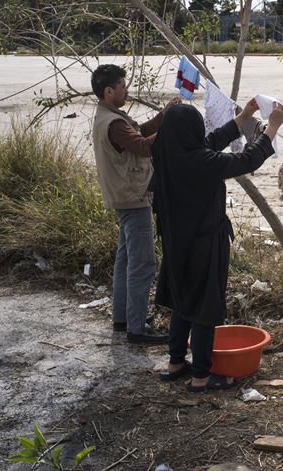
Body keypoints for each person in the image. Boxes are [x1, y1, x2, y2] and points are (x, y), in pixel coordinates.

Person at [150, 99, 283, 392]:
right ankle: (201, 376)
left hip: (175, 242)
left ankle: (175, 363)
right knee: (204, 309)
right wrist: (272, 128)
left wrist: (244, 117)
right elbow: (246, 161)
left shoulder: (164, 152)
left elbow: (209, 142)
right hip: (204, 243)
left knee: (182, 302)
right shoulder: (199, 162)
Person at [90, 64, 180, 344]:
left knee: (126, 260)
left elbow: (139, 132)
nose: (127, 90)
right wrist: (177, 128)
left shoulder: (110, 116)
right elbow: (143, 145)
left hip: (126, 196)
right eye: (123, 86)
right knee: (142, 265)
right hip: (133, 197)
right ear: (109, 91)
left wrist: (164, 115)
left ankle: (123, 319)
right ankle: (137, 329)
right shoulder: (113, 122)